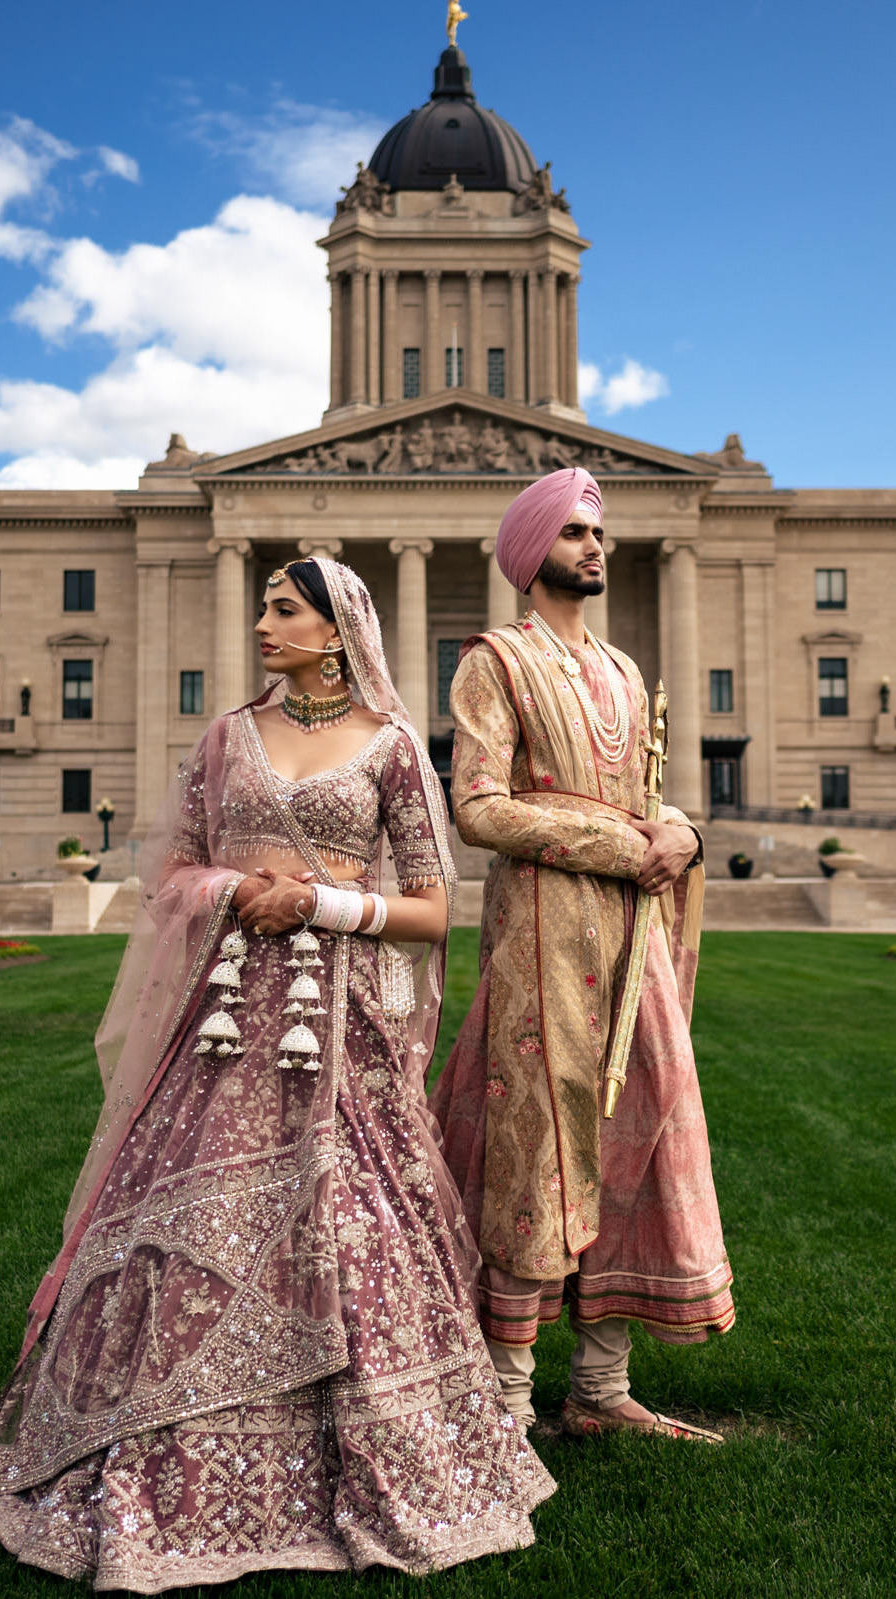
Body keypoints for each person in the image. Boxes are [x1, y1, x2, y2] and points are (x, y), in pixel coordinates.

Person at [0, 558, 553, 1587]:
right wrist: (233, 887)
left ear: (335, 628)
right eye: (262, 606)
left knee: (359, 1223)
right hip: (218, 1027)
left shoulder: (392, 752)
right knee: (181, 1227)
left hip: (339, 1029)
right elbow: (167, 870)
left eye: (282, 609)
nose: (261, 623)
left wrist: (325, 906)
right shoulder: (226, 738)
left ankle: (366, 1448)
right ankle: (153, 1451)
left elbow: (435, 911)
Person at [430, 470, 734, 1441]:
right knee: (536, 1143)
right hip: (540, 934)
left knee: (640, 1122)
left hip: (633, 933)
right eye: (569, 531)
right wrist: (622, 846)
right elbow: (475, 808)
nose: (591, 546)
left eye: (595, 531)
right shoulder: (491, 662)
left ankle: (600, 1393)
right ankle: (506, 1404)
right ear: (529, 553)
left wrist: (678, 833)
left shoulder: (626, 670)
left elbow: (648, 801)